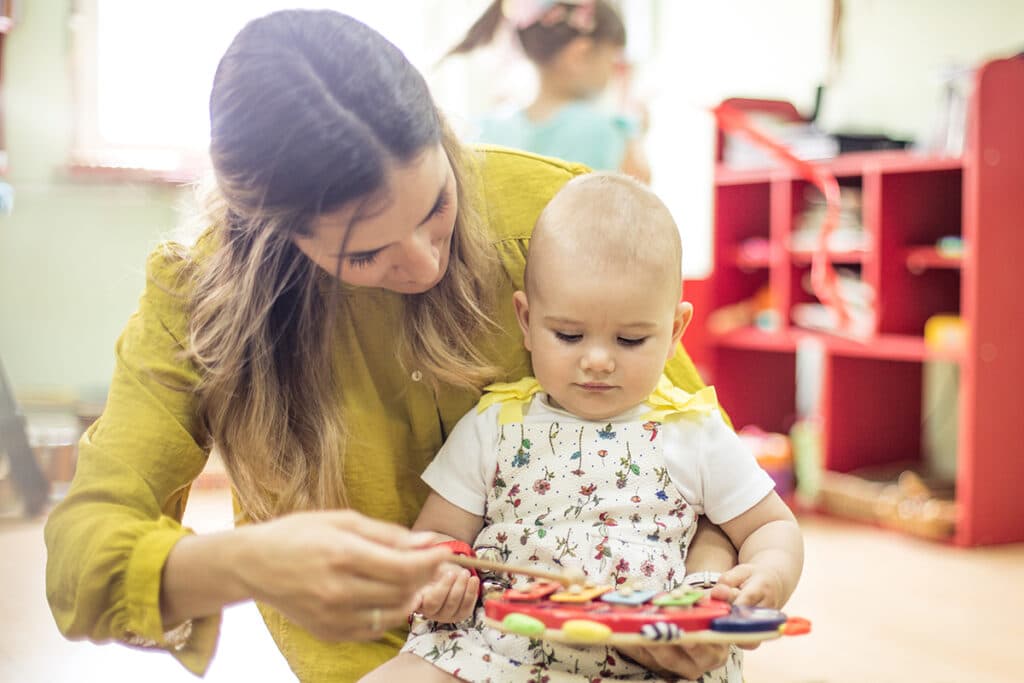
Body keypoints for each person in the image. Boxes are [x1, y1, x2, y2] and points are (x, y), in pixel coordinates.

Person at [43, 9, 731, 683]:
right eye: (366, 252)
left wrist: (702, 594)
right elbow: (82, 563)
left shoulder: (557, 218)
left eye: (436, 207)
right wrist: (244, 563)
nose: (424, 263)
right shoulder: (198, 299)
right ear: (274, 230)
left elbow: (706, 458)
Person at [362, 173, 804, 683]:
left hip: (653, 658)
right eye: (568, 334)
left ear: (675, 331)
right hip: (494, 650)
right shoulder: (495, 422)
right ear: (526, 321)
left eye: (631, 340)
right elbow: (438, 532)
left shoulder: (693, 429)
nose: (597, 360)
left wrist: (767, 577)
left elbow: (772, 526)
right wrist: (441, 574)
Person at [447, 0, 651, 182]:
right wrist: (636, 135)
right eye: (612, 59)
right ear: (578, 55)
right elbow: (640, 198)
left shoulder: (483, 130)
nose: (615, 70)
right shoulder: (609, 131)